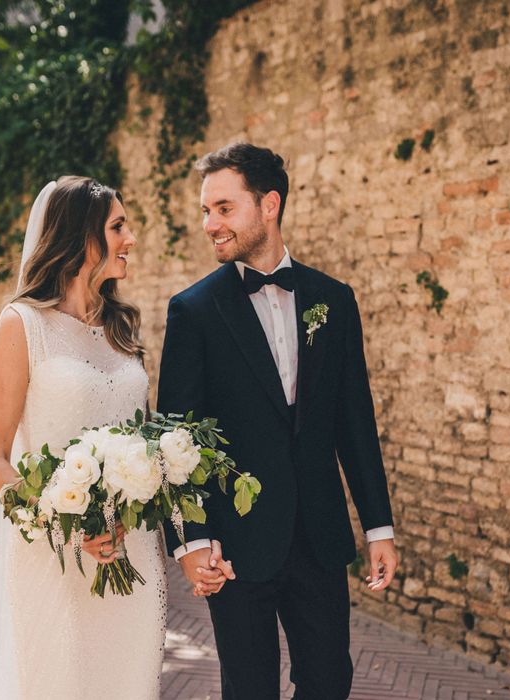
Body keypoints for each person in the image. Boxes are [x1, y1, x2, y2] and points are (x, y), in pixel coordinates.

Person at [157, 143, 399, 700]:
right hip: (235, 546)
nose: (209, 224)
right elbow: (179, 436)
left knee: (330, 681)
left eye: (223, 208)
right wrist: (192, 539)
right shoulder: (193, 311)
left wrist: (378, 527)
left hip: (318, 535)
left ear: (269, 205)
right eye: (204, 211)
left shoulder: (333, 300)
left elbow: (354, 421)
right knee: (249, 688)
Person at [0, 176, 166, 699]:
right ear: (83, 237)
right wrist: (64, 525)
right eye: (118, 227)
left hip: (132, 550)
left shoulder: (121, 325)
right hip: (53, 555)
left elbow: (141, 437)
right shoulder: (23, 324)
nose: (130, 239)